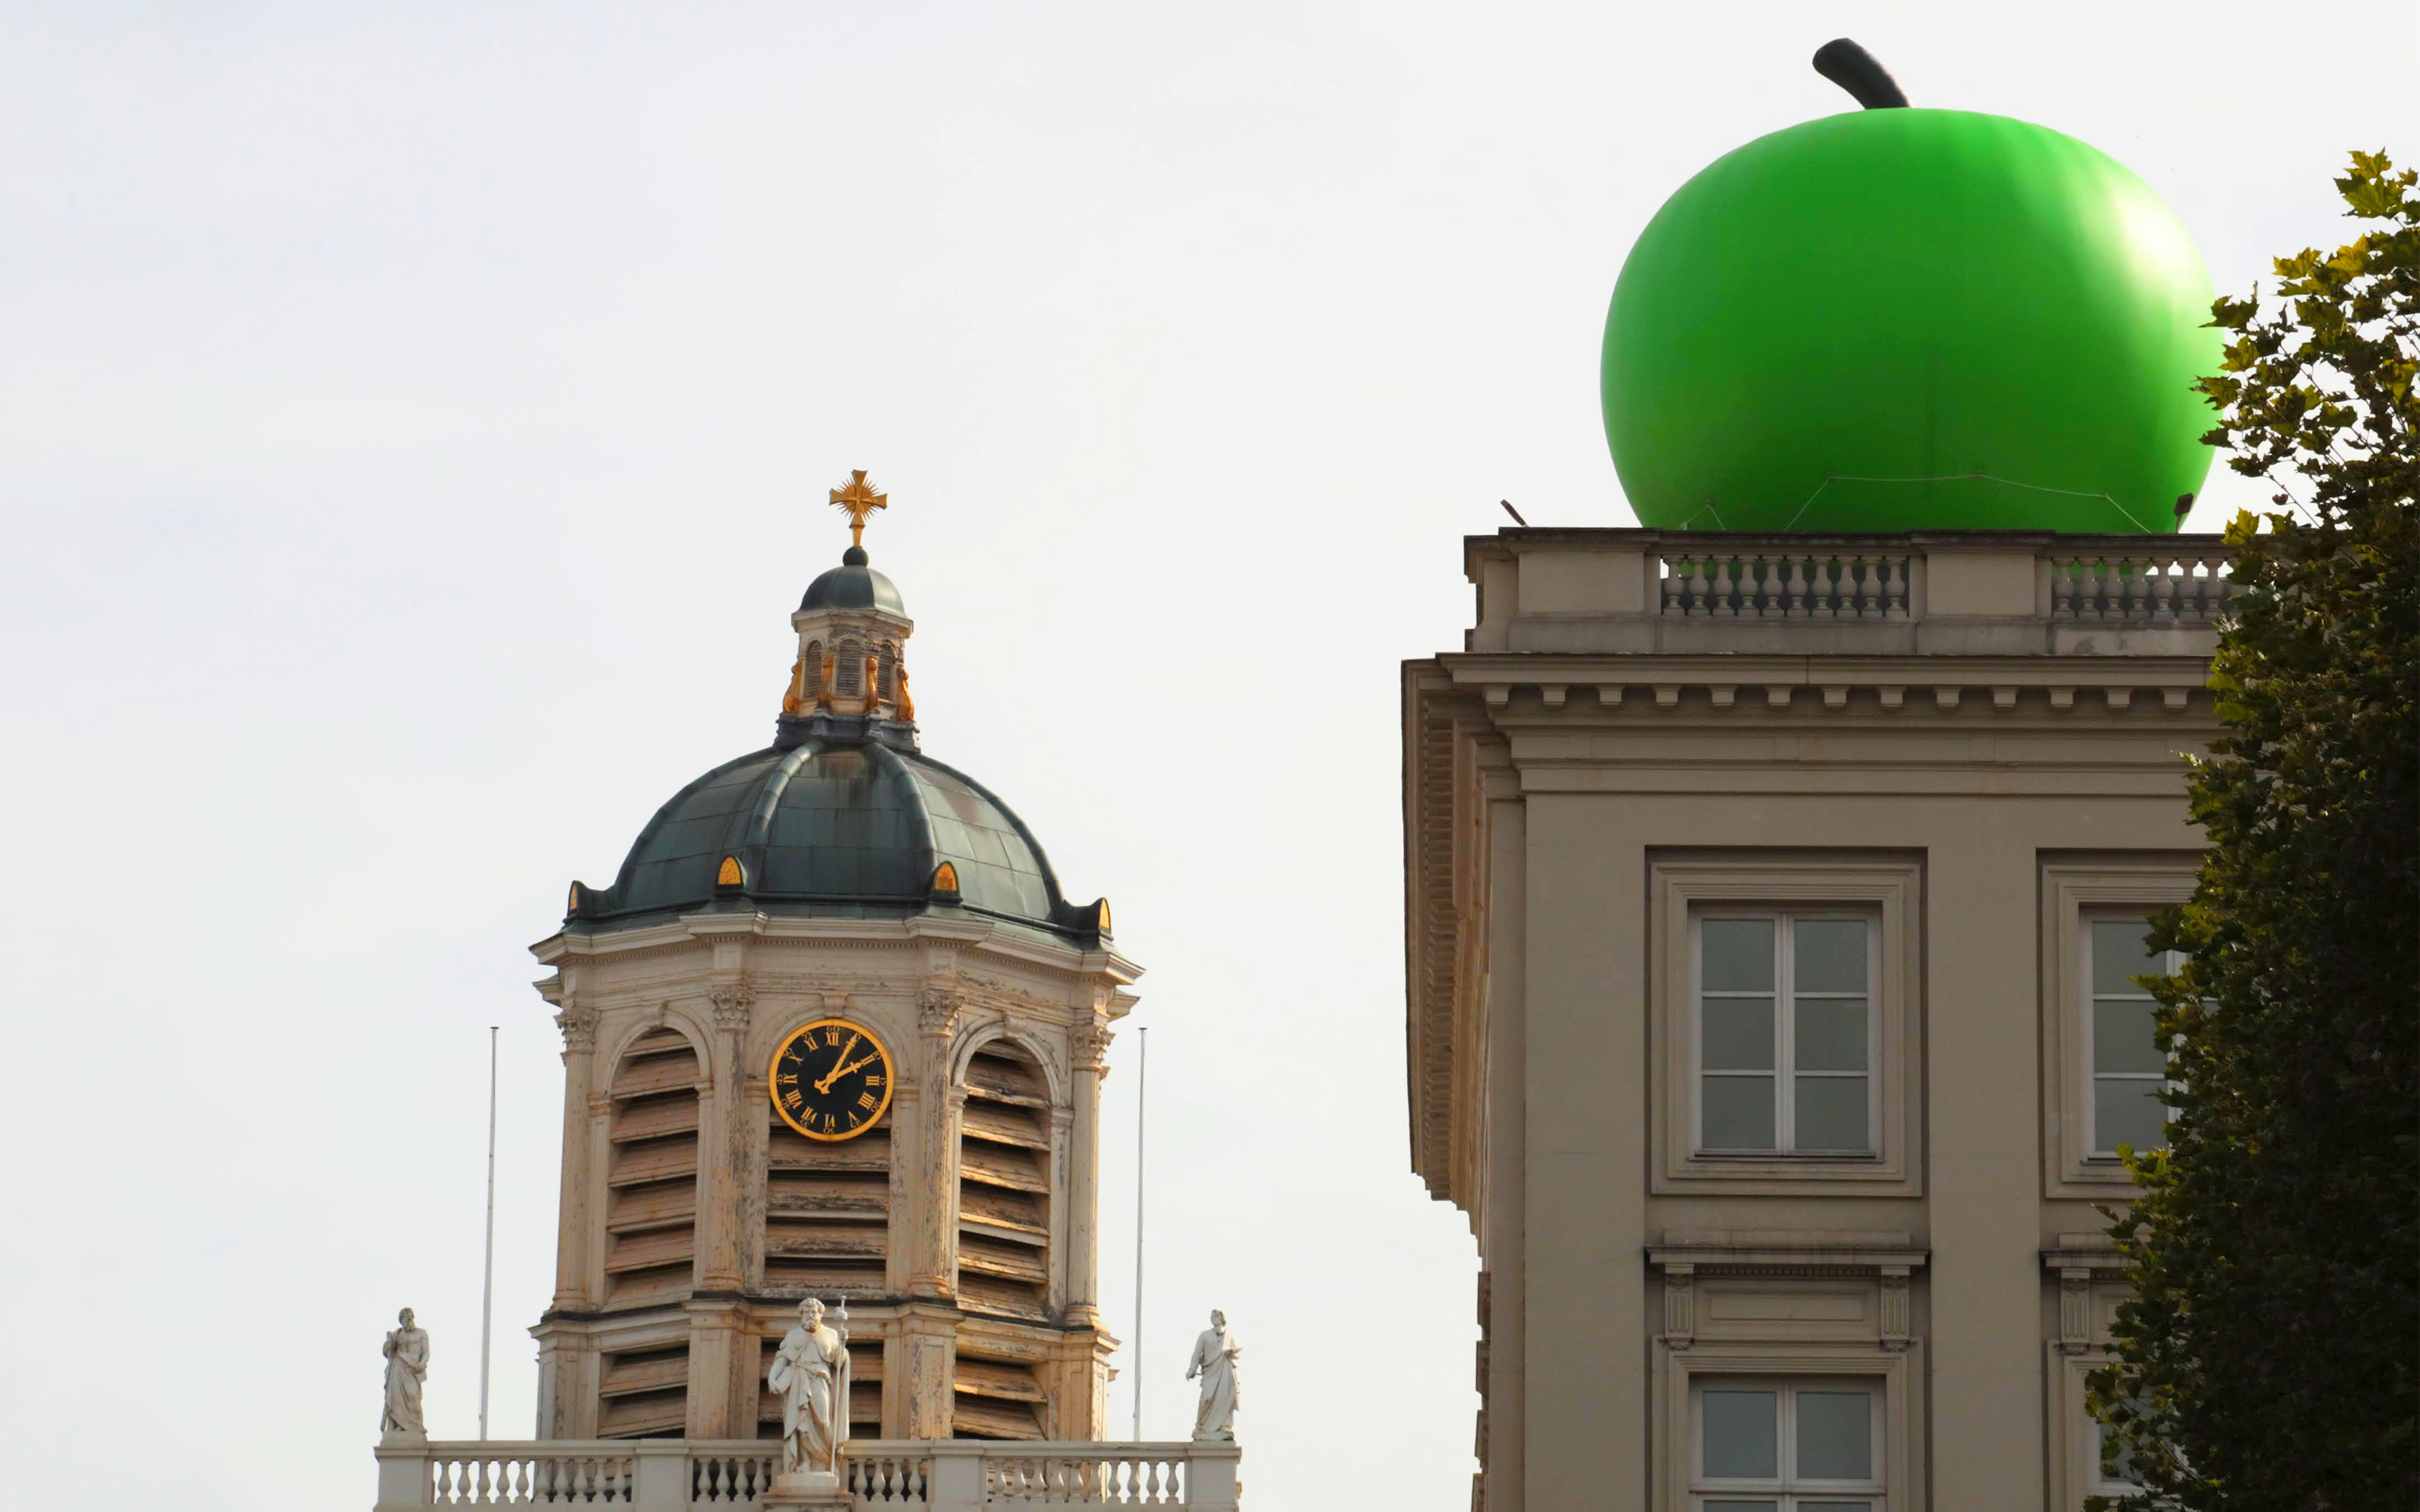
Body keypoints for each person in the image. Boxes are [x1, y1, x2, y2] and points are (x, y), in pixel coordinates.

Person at [767, 1297, 852, 1476]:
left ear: (821, 1314)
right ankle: (804, 1462)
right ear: (801, 1314)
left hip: (820, 1379)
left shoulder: (831, 1334)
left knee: (823, 1419)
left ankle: (826, 1461)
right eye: (806, 1312)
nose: (810, 1315)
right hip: (798, 1378)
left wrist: (842, 1348)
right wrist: (772, 1378)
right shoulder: (793, 1335)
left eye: (814, 1312)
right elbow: (782, 1359)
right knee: (800, 1422)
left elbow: (838, 1363)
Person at [1185, 1309, 1240, 1441]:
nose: (1214, 1317)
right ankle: (1201, 1426)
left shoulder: (1229, 1335)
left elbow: (1237, 1353)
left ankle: (1224, 1426)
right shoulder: (1204, 1335)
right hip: (1210, 1372)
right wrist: (1192, 1369)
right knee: (1206, 1399)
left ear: (1222, 1319)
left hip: (1225, 1370)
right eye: (1213, 1315)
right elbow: (1197, 1354)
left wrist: (1231, 1353)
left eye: (1217, 1315)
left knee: (1225, 1397)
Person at [381, 1307, 430, 1440]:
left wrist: (422, 1363)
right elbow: (387, 1351)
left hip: (413, 1369)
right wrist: (390, 1342)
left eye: (410, 1318)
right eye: (405, 1319)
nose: (408, 1322)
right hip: (398, 1368)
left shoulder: (421, 1333)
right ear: (401, 1321)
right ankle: (400, 1425)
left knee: (413, 1397)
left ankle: (415, 1426)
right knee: (396, 1398)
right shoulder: (397, 1334)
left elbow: (426, 1353)